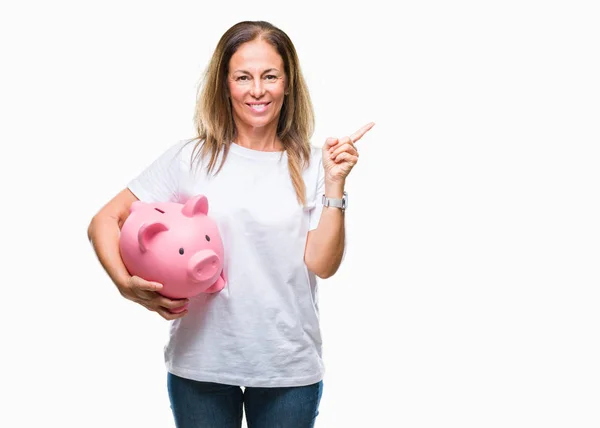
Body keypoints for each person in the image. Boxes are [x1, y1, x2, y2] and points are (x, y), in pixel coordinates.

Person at [87, 20, 374, 428]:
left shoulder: (313, 164)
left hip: (287, 367)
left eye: (270, 76)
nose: (257, 90)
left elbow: (322, 264)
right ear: (225, 85)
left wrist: (334, 184)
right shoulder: (190, 158)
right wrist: (126, 285)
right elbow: (105, 219)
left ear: (288, 83)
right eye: (243, 77)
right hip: (201, 366)